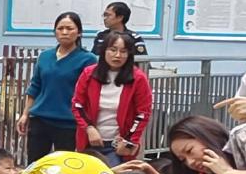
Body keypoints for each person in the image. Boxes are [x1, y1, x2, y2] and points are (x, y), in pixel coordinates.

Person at [17, 11, 96, 161]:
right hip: (40, 119)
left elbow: (90, 94)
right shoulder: (45, 56)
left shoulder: (88, 59)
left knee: (65, 166)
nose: (64, 32)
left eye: (70, 28)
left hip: (69, 122)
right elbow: (35, 86)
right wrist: (25, 114)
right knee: (35, 164)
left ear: (79, 33)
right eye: (60, 28)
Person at [70, 27, 152, 163]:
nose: (118, 55)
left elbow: (143, 113)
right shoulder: (89, 74)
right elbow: (77, 105)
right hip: (90, 141)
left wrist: (130, 140)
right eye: (113, 50)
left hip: (118, 145)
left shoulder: (138, 78)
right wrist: (89, 128)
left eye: (123, 51)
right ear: (104, 51)